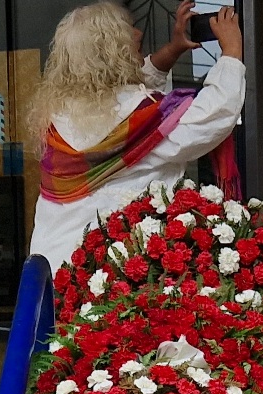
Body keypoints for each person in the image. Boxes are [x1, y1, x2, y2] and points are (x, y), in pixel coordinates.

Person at [29, 1, 244, 272]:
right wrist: (232, 53)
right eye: (128, 31)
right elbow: (212, 117)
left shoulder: (57, 117)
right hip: (107, 281)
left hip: (50, 275)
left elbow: (125, 99)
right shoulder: (142, 121)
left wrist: (172, 51)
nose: (139, 35)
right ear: (111, 52)